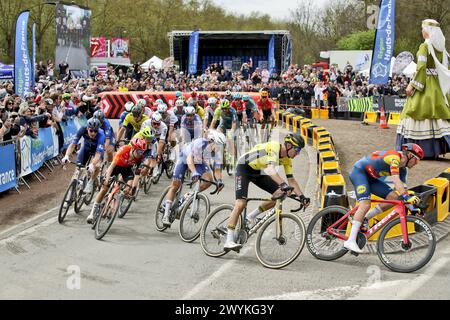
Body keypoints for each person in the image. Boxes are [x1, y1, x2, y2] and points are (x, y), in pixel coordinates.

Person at [223, 133, 310, 251]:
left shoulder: (287, 159)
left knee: (280, 194)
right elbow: (270, 169)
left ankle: (250, 217)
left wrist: (302, 197)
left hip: (257, 171)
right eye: (297, 150)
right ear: (289, 145)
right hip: (244, 168)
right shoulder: (274, 147)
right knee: (241, 203)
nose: (298, 153)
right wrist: (283, 185)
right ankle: (228, 241)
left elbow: (291, 180)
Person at [345, 143, 424, 253]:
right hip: (359, 172)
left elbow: (403, 193)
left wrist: (412, 207)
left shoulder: (403, 170)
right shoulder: (395, 157)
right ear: (410, 155)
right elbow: (396, 181)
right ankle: (350, 240)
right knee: (365, 204)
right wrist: (406, 196)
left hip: (371, 178)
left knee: (395, 198)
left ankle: (366, 218)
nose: (416, 163)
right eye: (417, 160)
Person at [396, 19, 450, 159]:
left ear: (427, 31)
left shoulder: (424, 47)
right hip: (437, 87)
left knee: (412, 112)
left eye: (423, 29)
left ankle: (419, 149)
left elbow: (421, 68)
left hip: (425, 84)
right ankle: (437, 148)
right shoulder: (441, 49)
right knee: (439, 117)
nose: (421, 31)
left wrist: (412, 85)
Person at [162, 130, 226, 227]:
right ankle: (166, 214)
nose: (219, 148)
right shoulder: (200, 143)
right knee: (175, 186)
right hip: (185, 158)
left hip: (199, 162)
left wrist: (220, 181)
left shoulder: (217, 152)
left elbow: (217, 170)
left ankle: (189, 195)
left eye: (221, 146)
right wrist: (194, 172)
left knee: (209, 180)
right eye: (218, 145)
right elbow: (189, 159)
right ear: (211, 141)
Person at [86, 138, 149, 224]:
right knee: (104, 188)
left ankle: (116, 198)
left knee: (129, 186)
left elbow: (137, 174)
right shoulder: (124, 149)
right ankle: (92, 213)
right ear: (133, 148)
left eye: (142, 152)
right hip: (116, 166)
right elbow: (111, 166)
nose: (140, 154)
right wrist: (107, 179)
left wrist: (133, 188)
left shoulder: (140, 158)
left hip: (127, 169)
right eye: (139, 151)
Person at [61, 118, 106, 194]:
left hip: (96, 150)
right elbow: (73, 144)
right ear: (87, 128)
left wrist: (92, 164)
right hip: (86, 147)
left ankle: (91, 182)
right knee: (78, 168)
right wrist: (66, 155)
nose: (93, 133)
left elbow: (98, 154)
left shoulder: (101, 135)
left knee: (97, 165)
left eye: (95, 131)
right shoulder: (82, 129)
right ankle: (71, 192)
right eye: (91, 130)